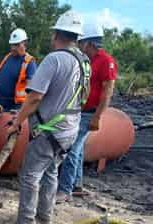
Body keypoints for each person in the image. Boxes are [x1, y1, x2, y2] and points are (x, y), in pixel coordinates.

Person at [2, 11, 91, 224]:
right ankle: (45, 216)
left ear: (56, 34)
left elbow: (34, 97)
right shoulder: (83, 61)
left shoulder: (54, 59)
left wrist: (17, 122)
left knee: (29, 174)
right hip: (70, 129)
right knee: (51, 172)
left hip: (50, 129)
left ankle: (25, 223)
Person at [57, 22, 118, 202]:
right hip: (80, 112)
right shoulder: (88, 61)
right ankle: (76, 185)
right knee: (79, 150)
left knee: (71, 149)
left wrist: (98, 117)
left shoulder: (106, 61)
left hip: (90, 114)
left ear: (90, 43)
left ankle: (65, 190)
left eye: (81, 43)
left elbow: (108, 91)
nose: (79, 46)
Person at [0, 28, 37, 112]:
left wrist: (23, 110)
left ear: (25, 44)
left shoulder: (29, 62)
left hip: (15, 107)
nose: (13, 48)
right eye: (12, 45)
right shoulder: (7, 58)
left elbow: (32, 91)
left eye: (17, 45)